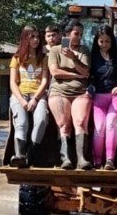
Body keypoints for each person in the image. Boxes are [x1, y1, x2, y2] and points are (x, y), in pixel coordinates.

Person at [48, 21, 92, 170]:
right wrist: (77, 75)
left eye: (81, 34)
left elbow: (86, 72)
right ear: (67, 34)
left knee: (80, 121)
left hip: (80, 92)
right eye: (76, 33)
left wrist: (74, 58)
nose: (79, 37)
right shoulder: (55, 50)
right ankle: (65, 158)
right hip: (59, 92)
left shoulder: (84, 50)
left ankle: (81, 159)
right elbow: (55, 72)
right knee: (63, 123)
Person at [89, 25, 117, 170]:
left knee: (111, 122)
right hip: (99, 97)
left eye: (107, 41)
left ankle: (110, 160)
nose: (105, 44)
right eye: (101, 41)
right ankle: (97, 161)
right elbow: (90, 77)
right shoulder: (93, 57)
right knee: (99, 127)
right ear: (97, 41)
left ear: (112, 41)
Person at [8, 25, 50, 168]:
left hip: (38, 96)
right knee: (22, 123)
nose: (36, 40)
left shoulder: (44, 58)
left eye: (38, 37)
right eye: (32, 36)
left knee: (42, 121)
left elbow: (45, 81)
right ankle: (20, 155)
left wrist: (35, 99)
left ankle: (30, 155)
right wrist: (21, 100)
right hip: (19, 95)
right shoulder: (17, 58)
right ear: (25, 38)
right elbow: (13, 83)